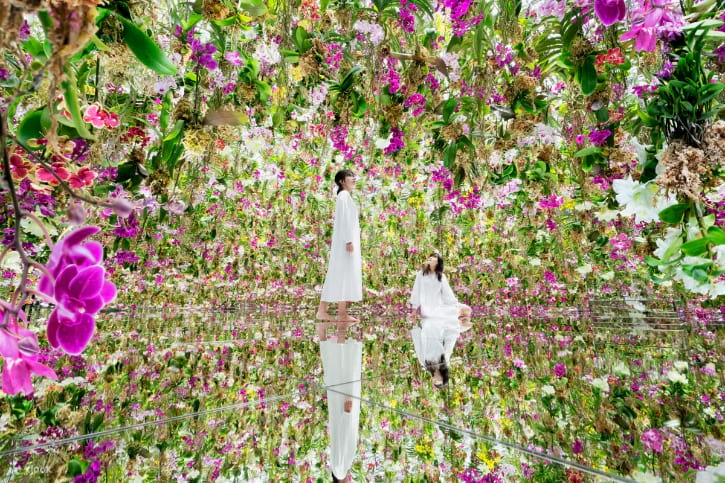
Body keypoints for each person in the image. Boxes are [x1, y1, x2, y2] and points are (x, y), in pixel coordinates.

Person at [408, 253, 472, 388]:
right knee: (465, 316)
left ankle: (457, 314)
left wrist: (415, 330)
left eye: (435, 382)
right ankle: (457, 315)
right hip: (429, 309)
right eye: (439, 381)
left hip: (437, 314)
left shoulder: (425, 364)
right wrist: (414, 308)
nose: (436, 380)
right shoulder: (421, 274)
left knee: (466, 313)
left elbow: (448, 294)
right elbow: (416, 290)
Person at [317, 170, 362, 323]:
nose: (354, 178)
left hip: (346, 242)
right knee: (339, 273)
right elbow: (345, 220)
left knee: (343, 275)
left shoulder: (346, 197)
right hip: (345, 243)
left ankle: (341, 313)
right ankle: (322, 311)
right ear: (342, 181)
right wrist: (349, 241)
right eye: (350, 176)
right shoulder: (343, 196)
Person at [319, 331, 362, 482]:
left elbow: (342, 442)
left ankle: (340, 329)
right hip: (345, 414)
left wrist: (347, 413)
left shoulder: (340, 471)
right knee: (340, 375)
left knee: (345, 375)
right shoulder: (339, 470)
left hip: (345, 412)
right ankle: (331, 332)